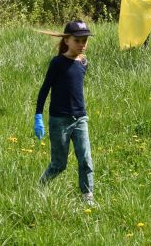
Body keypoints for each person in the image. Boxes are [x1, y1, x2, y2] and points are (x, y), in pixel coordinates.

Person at [34, 20, 95, 206]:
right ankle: (40, 187)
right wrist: (38, 116)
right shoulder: (57, 62)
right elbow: (45, 89)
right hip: (59, 120)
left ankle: (88, 197)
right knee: (59, 165)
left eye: (85, 40)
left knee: (85, 159)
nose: (82, 44)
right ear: (66, 40)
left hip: (80, 119)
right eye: (78, 40)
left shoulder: (83, 62)